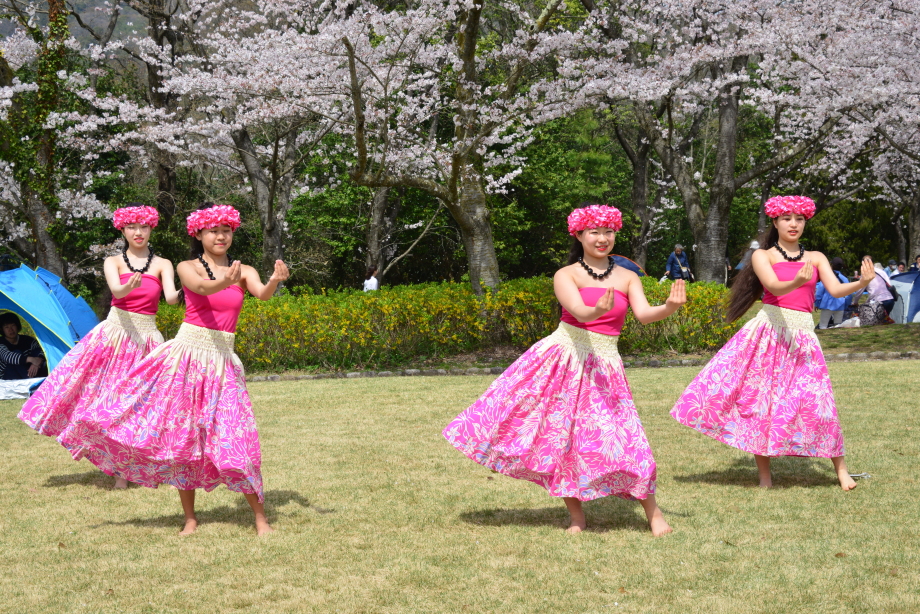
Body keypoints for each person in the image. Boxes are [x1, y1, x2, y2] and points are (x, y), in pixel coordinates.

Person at [444, 204, 686, 536]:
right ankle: (576, 517)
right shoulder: (566, 274)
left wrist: (669, 307)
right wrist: (595, 309)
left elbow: (644, 315)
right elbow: (578, 310)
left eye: (609, 232)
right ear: (579, 235)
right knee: (561, 439)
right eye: (594, 232)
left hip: (605, 365)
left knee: (628, 439)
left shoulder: (628, 276)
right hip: (564, 359)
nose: (602, 238)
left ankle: (654, 515)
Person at [58, 204, 289, 536]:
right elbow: (201, 288)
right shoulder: (185, 267)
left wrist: (274, 281)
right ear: (198, 234)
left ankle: (260, 517)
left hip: (223, 362)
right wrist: (223, 280)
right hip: (186, 359)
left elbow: (262, 295)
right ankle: (190, 518)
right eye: (213, 231)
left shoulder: (243, 270)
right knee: (183, 440)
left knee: (237, 438)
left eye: (226, 230)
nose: (220, 236)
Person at [670, 195, 875, 491]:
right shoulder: (762, 256)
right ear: (775, 222)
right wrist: (797, 281)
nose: (793, 224)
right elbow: (774, 286)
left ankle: (842, 471)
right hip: (769, 335)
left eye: (799, 219)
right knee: (761, 405)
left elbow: (836, 289)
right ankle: (765, 477)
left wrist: (862, 283)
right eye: (787, 218)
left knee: (820, 404)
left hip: (803, 338)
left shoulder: (816, 257)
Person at [19, 204, 180, 489]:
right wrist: (129, 287)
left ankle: (140, 464)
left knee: (142, 404)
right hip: (115, 335)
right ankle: (118, 471)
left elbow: (170, 298)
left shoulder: (163, 264)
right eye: (132, 227)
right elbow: (117, 291)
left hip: (147, 338)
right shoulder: (113, 261)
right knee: (105, 398)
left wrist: (194, 289)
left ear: (151, 228)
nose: (138, 232)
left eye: (144, 226)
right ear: (122, 230)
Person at [0, 312, 46, 380]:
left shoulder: (27, 340)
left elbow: (43, 350)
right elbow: (7, 356)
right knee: (16, 352)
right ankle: (31, 381)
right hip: (8, 375)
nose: (11, 330)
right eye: (6, 327)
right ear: (2, 329)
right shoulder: (1, 342)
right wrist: (32, 360)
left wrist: (36, 362)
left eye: (13, 325)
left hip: (29, 371)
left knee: (39, 354)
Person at [814, 257, 852, 329]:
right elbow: (849, 294)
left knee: (823, 325)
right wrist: (846, 304)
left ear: (831, 265)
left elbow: (819, 292)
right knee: (838, 326)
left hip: (827, 305)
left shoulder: (826, 277)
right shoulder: (844, 279)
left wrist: (817, 303)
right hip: (840, 305)